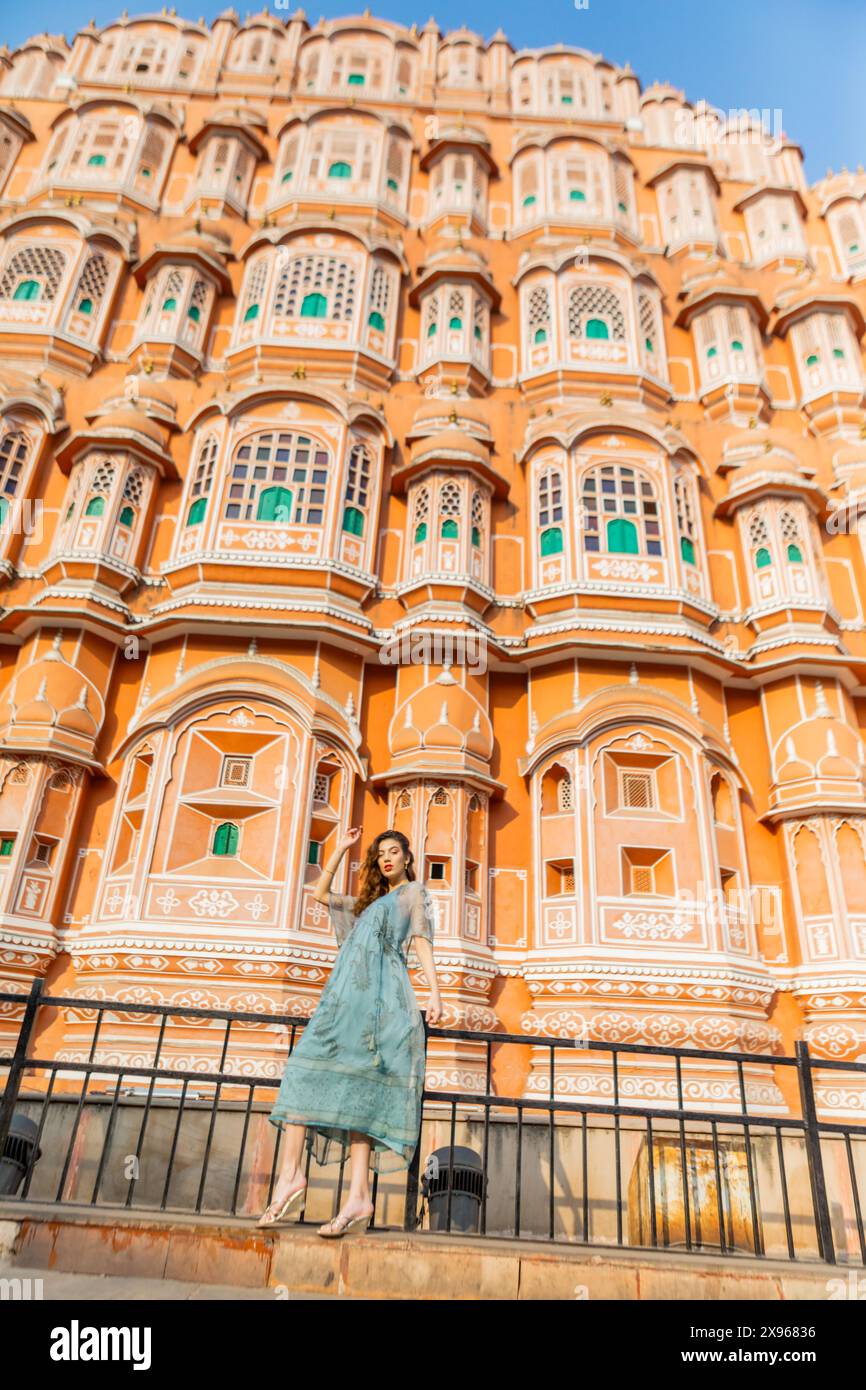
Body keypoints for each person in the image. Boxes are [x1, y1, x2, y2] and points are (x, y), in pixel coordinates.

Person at [258, 826, 442, 1237]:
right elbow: (321, 895)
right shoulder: (370, 902)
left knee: (362, 1093)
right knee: (304, 1072)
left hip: (382, 1000)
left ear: (408, 858)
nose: (387, 859)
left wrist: (435, 993)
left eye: (394, 852)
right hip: (343, 1001)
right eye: (380, 855)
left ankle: (358, 1196)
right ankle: (290, 1177)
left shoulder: (414, 894)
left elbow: (423, 941)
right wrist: (341, 848)